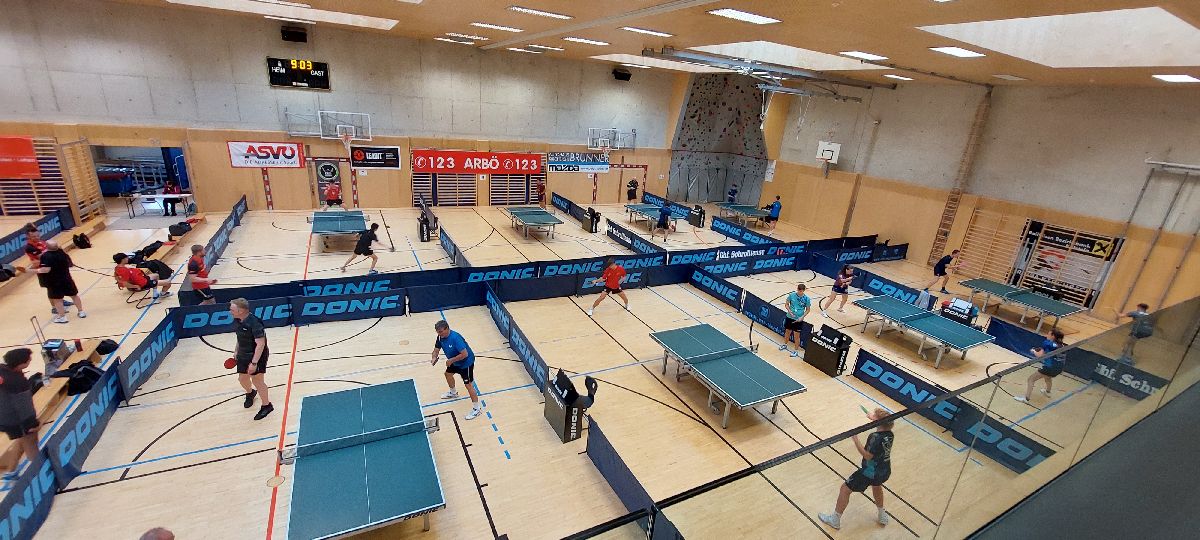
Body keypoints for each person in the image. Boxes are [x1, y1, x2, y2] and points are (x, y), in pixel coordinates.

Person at [819, 407, 894, 530]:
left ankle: (835, 520)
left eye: (874, 417)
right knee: (877, 486)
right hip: (884, 470)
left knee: (845, 489)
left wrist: (855, 439)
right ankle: (882, 514)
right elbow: (881, 424)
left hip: (869, 472)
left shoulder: (875, 437)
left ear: (879, 422)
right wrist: (873, 417)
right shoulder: (890, 434)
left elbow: (867, 456)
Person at [230, 298, 272, 420]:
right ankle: (250, 392)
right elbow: (240, 337)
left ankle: (267, 406)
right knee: (242, 379)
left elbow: (261, 344)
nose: (230, 311)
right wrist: (237, 350)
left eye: (232, 309)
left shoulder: (254, 323)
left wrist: (254, 363)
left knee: (257, 381)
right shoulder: (238, 320)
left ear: (241, 311)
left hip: (257, 356)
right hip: (243, 354)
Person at [432, 320, 483, 420]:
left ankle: (477, 409)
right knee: (448, 374)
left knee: (468, 385)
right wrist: (434, 357)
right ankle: (453, 393)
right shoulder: (440, 337)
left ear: (447, 328)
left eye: (441, 331)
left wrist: (451, 360)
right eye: (438, 332)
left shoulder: (455, 338)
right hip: (455, 362)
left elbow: (465, 354)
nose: (439, 334)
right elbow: (436, 349)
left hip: (466, 363)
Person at [0, 349, 40, 472]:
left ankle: (10, 472)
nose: (30, 362)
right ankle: (39, 473)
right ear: (21, 363)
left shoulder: (2, 370)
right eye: (28, 361)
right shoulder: (18, 382)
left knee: (21, 441)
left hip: (4, 418)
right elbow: (24, 407)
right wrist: (33, 423)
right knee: (31, 444)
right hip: (16, 419)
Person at [37, 241, 85, 323]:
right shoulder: (62, 253)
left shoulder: (45, 256)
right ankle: (81, 312)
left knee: (57, 299)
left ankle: (62, 317)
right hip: (67, 279)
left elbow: (45, 270)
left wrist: (30, 271)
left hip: (54, 281)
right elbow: (69, 263)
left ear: (46, 247)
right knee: (74, 295)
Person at [1014, 329, 1066, 403]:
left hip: (1049, 368)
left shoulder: (1047, 344)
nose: (1047, 335)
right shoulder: (1061, 345)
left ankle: (1026, 399)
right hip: (1059, 369)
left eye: (1049, 334)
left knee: (1031, 379)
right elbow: (1051, 352)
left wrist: (1034, 351)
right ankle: (1047, 392)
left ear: (1053, 336)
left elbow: (1040, 356)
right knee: (1048, 377)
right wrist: (1041, 349)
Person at [780, 283, 811, 357]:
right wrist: (789, 311)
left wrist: (802, 317)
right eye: (799, 290)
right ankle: (785, 344)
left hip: (798, 320)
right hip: (789, 317)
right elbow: (786, 304)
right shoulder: (791, 295)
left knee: (796, 336)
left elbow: (808, 310)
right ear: (797, 289)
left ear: (804, 290)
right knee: (787, 332)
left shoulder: (807, 299)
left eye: (801, 291)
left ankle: (796, 351)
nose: (800, 292)